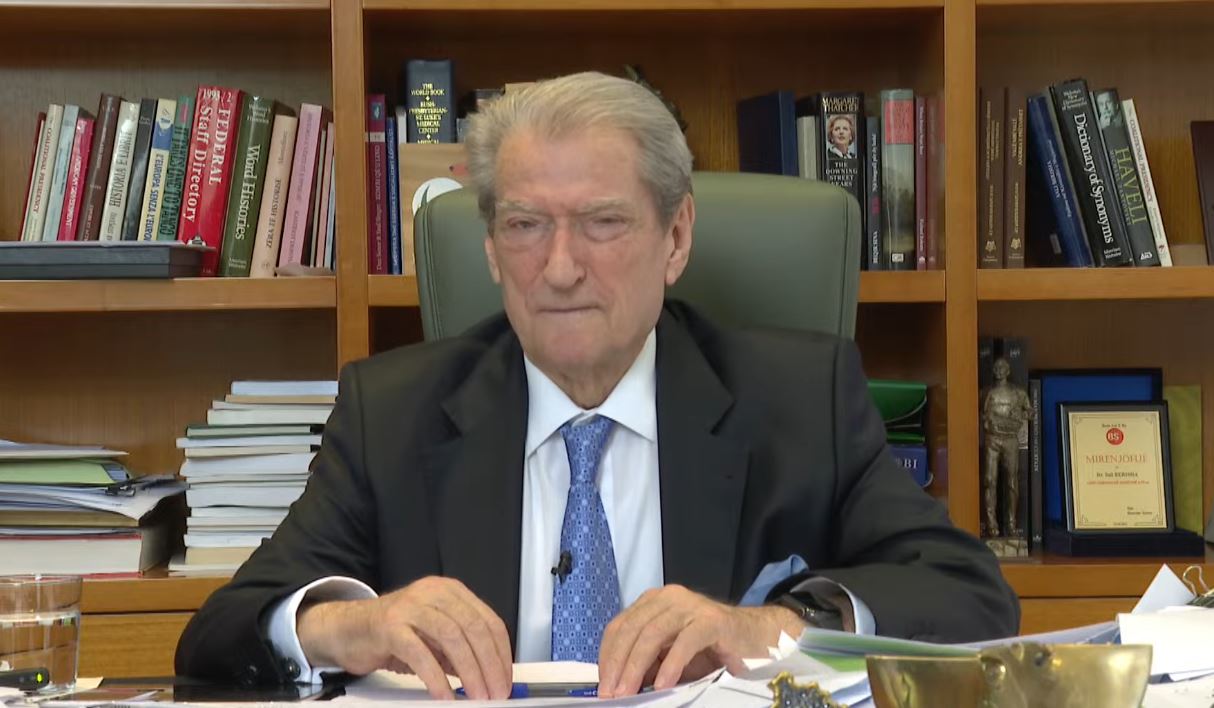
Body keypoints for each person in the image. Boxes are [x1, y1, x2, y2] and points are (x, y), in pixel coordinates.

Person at [175, 71, 1018, 700]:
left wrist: (767, 628)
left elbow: (970, 597)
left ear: (675, 237)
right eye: (525, 225)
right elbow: (216, 638)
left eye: (602, 222)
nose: (560, 267)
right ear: (490, 250)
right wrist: (348, 624)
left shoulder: (802, 400)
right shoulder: (391, 412)